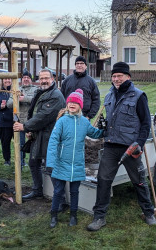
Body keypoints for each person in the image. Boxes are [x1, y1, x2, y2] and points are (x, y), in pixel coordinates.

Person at [87, 62, 156, 231]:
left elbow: (146, 124)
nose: (116, 79)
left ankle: (148, 212)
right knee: (103, 180)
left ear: (128, 77)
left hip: (129, 146)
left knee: (139, 181)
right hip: (110, 145)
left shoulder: (139, 96)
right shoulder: (110, 95)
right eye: (114, 76)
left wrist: (138, 144)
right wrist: (104, 126)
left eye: (120, 76)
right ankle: (99, 217)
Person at [46, 89, 103, 228]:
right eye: (70, 101)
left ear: (80, 106)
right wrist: (51, 162)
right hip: (61, 162)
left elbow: (94, 134)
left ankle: (73, 215)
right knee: (58, 190)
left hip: (77, 163)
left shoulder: (84, 122)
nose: (72, 104)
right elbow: (53, 141)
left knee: (74, 191)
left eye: (75, 102)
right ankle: (54, 215)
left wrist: (102, 129)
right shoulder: (62, 121)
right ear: (67, 104)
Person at [13, 69, 65, 200]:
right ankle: (37, 190)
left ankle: (61, 199)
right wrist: (31, 130)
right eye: (41, 78)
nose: (44, 81)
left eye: (46, 78)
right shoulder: (40, 92)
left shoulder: (56, 96)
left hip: (50, 136)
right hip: (39, 134)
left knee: (51, 168)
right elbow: (33, 112)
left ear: (53, 79)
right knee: (33, 162)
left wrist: (25, 126)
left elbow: (43, 116)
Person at [8, 70, 37, 167]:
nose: (26, 79)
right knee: (19, 144)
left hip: (32, 122)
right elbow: (9, 104)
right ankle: (20, 163)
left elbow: (36, 101)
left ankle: (33, 164)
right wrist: (16, 99)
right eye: (24, 77)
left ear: (31, 79)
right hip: (19, 122)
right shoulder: (17, 89)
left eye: (28, 77)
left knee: (34, 144)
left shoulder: (35, 90)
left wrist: (24, 99)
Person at [60, 56, 101, 120]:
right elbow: (61, 98)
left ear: (86, 66)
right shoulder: (67, 80)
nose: (79, 65)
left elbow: (96, 100)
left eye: (81, 63)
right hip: (68, 116)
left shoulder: (91, 81)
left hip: (84, 116)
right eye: (77, 63)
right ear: (75, 65)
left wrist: (89, 116)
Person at [0, 78, 14, 166]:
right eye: (5, 79)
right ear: (2, 81)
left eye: (9, 79)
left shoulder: (15, 90)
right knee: (5, 142)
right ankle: (7, 159)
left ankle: (21, 160)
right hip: (3, 122)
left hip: (14, 120)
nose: (7, 80)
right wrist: (0, 106)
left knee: (19, 142)